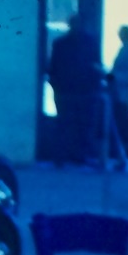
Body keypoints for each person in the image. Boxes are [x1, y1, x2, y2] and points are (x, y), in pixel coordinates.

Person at [48, 14, 104, 165]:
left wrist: (56, 87)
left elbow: (53, 68)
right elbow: (96, 66)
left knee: (64, 125)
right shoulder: (91, 43)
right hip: (84, 92)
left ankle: (61, 157)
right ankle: (78, 156)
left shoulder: (59, 44)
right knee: (82, 126)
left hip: (65, 92)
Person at [109, 25, 128, 158]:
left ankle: (124, 151)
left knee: (123, 122)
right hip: (119, 92)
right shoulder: (125, 50)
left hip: (123, 93)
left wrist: (112, 76)